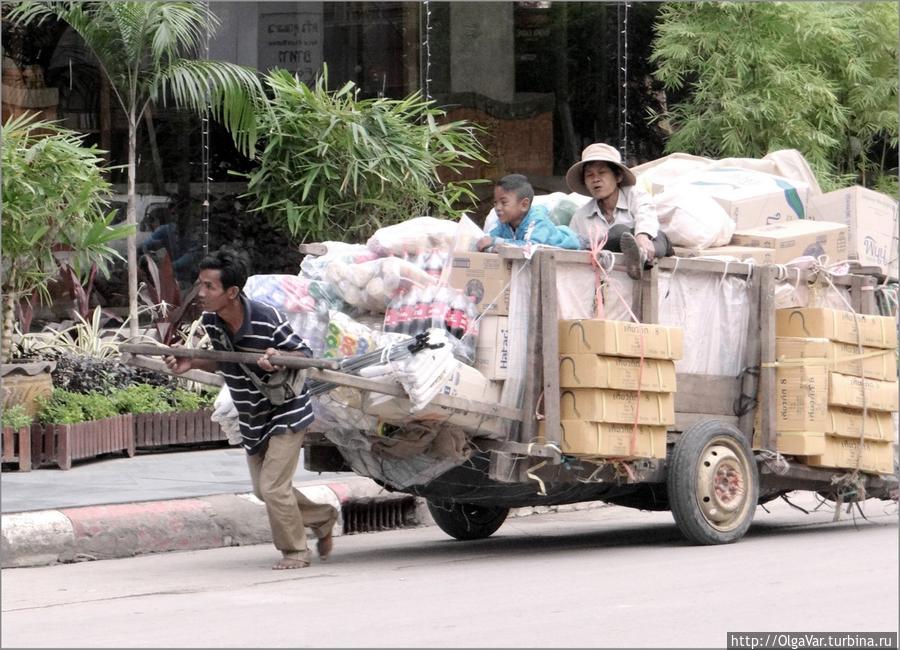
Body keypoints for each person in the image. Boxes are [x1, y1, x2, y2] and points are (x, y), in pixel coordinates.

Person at [164, 246, 337, 571]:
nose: (201, 292)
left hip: (286, 410)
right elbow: (221, 360)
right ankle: (324, 517)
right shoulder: (213, 321)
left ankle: (295, 551)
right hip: (252, 413)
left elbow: (305, 355)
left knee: (273, 486)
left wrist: (276, 357)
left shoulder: (265, 318)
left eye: (209, 287)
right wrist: (192, 361)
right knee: (263, 490)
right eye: (200, 284)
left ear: (232, 292)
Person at [566, 143, 672, 279]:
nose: (595, 179)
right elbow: (573, 248)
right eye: (589, 175)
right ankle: (638, 254)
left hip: (647, 252)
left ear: (618, 177)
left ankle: (642, 256)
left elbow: (646, 214)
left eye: (602, 172)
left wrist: (642, 236)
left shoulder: (635, 195)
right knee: (619, 233)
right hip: (604, 275)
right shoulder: (581, 216)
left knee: (659, 236)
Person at [477, 174, 581, 252]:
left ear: (524, 205)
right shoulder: (502, 222)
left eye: (504, 202)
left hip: (570, 252)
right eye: (495, 202)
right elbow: (487, 239)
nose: (497, 208)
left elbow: (530, 247)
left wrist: (496, 242)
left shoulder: (537, 221)